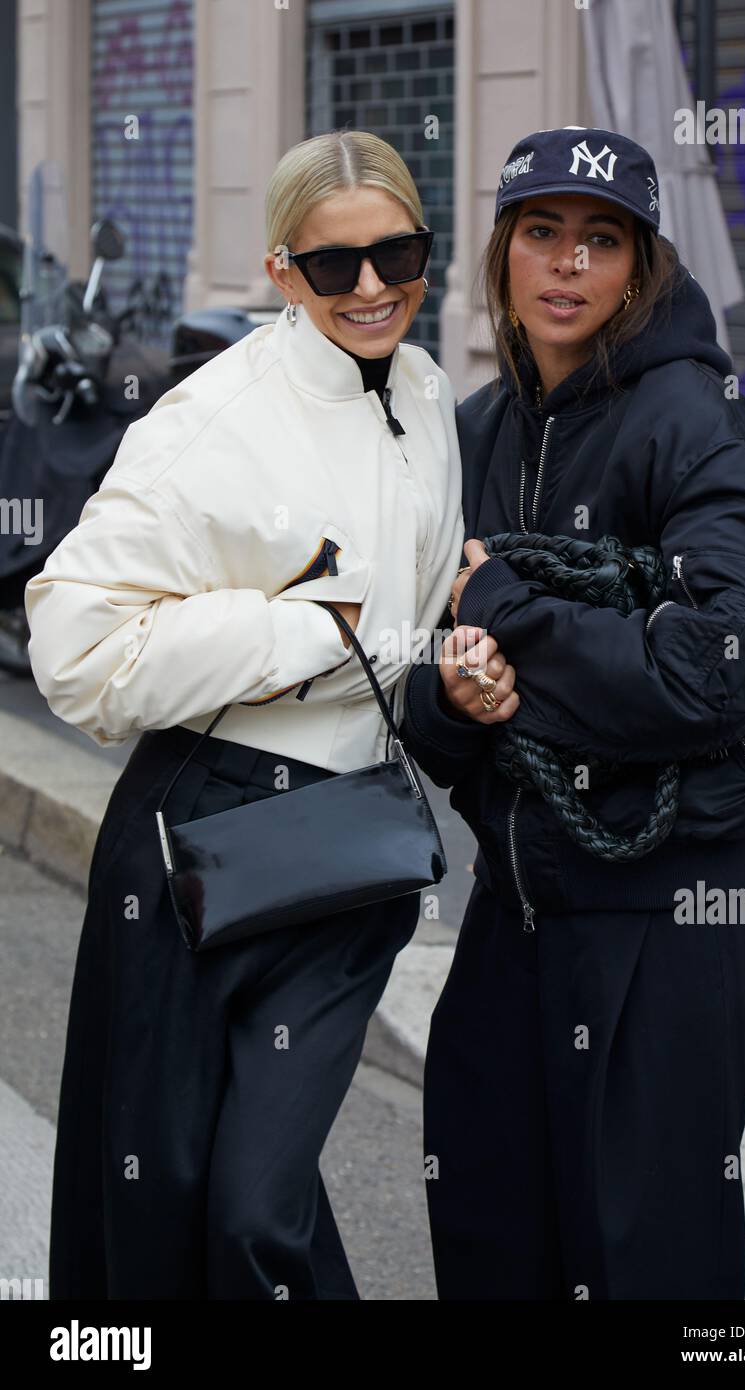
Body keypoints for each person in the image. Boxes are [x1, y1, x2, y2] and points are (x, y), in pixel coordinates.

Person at [25, 129, 464, 1300]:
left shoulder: (423, 394)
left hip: (353, 849)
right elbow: (71, 644)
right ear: (280, 272)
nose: (373, 288)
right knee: (164, 1196)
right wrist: (305, 631)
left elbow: (409, 624)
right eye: (334, 267)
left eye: (399, 253)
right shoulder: (207, 425)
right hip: (200, 843)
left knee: (255, 1203)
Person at [399, 126, 745, 1301]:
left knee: (652, 1263)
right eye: (541, 232)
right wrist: (451, 690)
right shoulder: (474, 432)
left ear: (638, 267)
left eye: (600, 239)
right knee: (489, 1232)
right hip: (515, 910)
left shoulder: (690, 413)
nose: (567, 264)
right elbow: (420, 700)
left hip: (665, 919)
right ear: (503, 253)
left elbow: (725, 665)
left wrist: (509, 611)